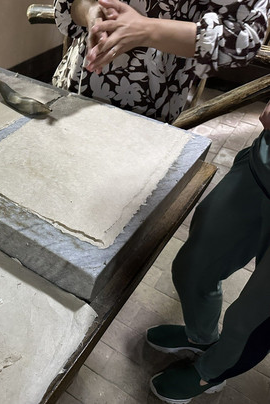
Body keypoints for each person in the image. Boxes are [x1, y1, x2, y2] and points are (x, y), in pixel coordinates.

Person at [145, 99, 270, 403]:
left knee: (253, 317)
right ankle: (199, 336)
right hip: (262, 166)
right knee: (194, 265)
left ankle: (210, 373)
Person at [53, 0, 269, 123]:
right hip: (72, 88)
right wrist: (91, 12)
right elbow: (68, 4)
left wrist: (146, 30)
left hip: (147, 112)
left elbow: (245, 37)